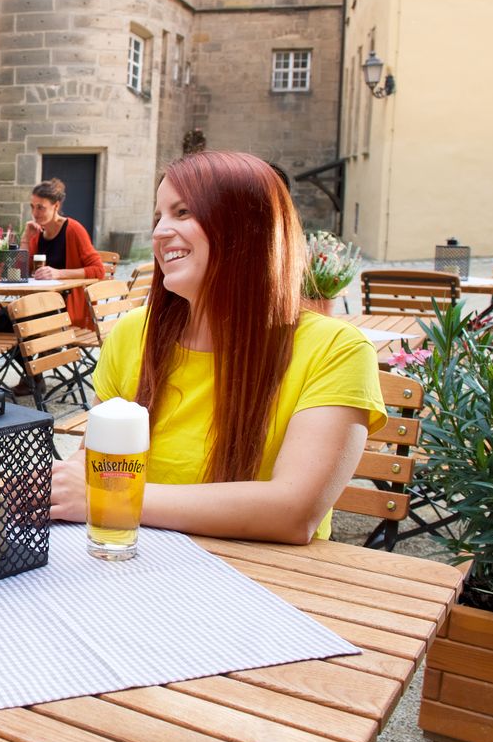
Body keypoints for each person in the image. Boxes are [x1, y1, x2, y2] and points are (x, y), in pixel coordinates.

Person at [49, 151, 387, 544]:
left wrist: (113, 498)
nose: (159, 233)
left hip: (267, 583)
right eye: (159, 217)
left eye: (183, 212)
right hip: (136, 565)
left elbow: (294, 511)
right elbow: (89, 469)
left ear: (249, 228)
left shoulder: (336, 350)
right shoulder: (131, 335)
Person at [0, 178, 104, 395]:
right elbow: (14, 274)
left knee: (8, 321)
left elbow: (98, 270)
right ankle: (35, 376)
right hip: (37, 305)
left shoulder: (73, 229)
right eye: (33, 206)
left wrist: (59, 273)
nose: (36, 212)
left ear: (56, 206)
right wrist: (25, 238)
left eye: (41, 207)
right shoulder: (36, 233)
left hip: (67, 308)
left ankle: (33, 377)